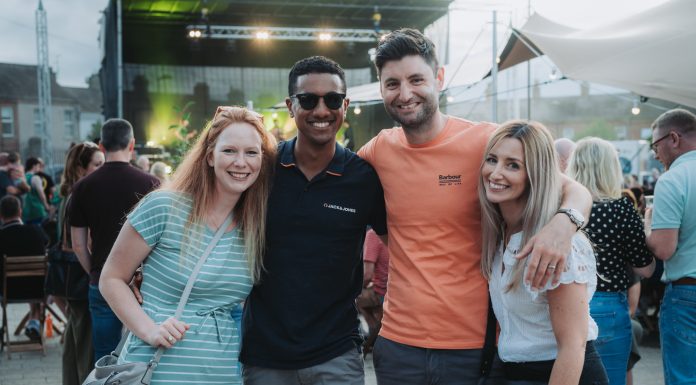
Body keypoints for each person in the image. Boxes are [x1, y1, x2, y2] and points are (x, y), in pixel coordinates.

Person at [357, 28, 592, 384]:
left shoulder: (485, 142)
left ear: (439, 78)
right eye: (392, 84)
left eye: (416, 79)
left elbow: (571, 188)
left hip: (472, 348)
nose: (405, 94)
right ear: (381, 88)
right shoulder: (379, 150)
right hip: (397, 344)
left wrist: (564, 224)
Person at [100, 106, 275, 384]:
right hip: (157, 370)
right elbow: (111, 278)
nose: (241, 162)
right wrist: (150, 330)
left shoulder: (257, 225)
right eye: (229, 150)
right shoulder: (164, 206)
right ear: (209, 156)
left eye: (251, 152)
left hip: (223, 372)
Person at [240, 56, 387, 385]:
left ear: (345, 105)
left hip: (336, 352)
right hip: (265, 354)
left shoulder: (362, 178)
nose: (321, 110)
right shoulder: (262, 169)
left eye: (332, 100)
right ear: (291, 106)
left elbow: (400, 244)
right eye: (308, 100)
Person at [479, 120, 608, 385]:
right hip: (513, 372)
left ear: (535, 174)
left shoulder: (559, 243)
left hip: (561, 373)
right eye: (492, 160)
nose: (495, 173)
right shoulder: (500, 235)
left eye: (512, 165)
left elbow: (573, 346)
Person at [566, 137, 655, 385]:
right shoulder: (620, 209)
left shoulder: (560, 208)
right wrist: (647, 232)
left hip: (564, 303)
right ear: (610, 168)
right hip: (608, 306)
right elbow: (645, 269)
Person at [70, 118, 160, 362]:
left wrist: (96, 272)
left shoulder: (83, 187)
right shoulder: (151, 184)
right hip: (144, 283)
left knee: (105, 353)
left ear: (101, 146)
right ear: (131, 145)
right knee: (144, 349)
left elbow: (77, 244)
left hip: (102, 279)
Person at [644, 108, 696, 385]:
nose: (655, 154)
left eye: (656, 145)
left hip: (688, 294)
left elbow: (663, 249)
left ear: (673, 138)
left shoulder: (673, 179)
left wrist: (647, 226)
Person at [57, 141, 104, 385]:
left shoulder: (70, 193)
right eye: (97, 164)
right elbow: (78, 244)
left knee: (74, 338)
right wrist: (95, 275)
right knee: (85, 342)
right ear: (80, 167)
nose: (102, 169)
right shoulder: (80, 194)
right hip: (80, 272)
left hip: (73, 272)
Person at [0, 195, 49, 341]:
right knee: (33, 277)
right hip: (37, 290)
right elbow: (47, 243)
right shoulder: (35, 231)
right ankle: (34, 321)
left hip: (7, 291)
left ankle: (29, 323)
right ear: (20, 212)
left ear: (1, 215)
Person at [356, 227, 389, 355]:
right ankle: (375, 330)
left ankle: (373, 334)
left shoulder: (372, 235)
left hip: (380, 292)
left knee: (353, 299)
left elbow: (367, 275)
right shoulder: (397, 232)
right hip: (395, 292)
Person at [23, 157, 51, 225]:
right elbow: (41, 194)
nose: (39, 168)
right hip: (37, 211)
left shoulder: (23, 177)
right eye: (38, 166)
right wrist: (46, 206)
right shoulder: (35, 178)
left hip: (26, 211)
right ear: (34, 166)